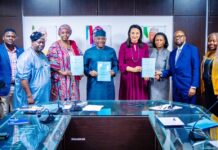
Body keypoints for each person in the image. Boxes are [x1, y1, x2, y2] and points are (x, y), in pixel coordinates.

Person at [156, 30, 200, 104]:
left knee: (189, 112)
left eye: (180, 36)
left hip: (188, 88)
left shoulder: (192, 49)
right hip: (176, 89)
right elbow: (172, 71)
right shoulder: (173, 53)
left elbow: (196, 69)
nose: (178, 38)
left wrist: (193, 86)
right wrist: (161, 73)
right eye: (176, 36)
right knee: (177, 111)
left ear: (185, 38)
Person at [13, 32, 51, 108]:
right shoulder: (26, 57)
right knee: (30, 118)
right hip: (33, 96)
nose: (41, 44)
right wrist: (29, 96)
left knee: (42, 116)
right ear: (32, 42)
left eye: (43, 42)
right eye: (39, 42)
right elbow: (23, 79)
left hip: (43, 95)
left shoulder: (42, 55)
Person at [47, 24, 83, 101]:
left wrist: (81, 71)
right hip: (61, 78)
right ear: (59, 33)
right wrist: (62, 72)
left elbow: (80, 58)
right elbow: (51, 61)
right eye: (62, 32)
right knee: (61, 100)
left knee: (74, 101)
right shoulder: (54, 46)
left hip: (73, 78)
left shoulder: (74, 45)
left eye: (67, 32)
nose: (65, 34)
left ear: (70, 33)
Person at [84, 29, 118, 100]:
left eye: (103, 38)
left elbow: (116, 65)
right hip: (94, 85)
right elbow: (84, 66)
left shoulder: (111, 51)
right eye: (98, 38)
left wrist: (113, 71)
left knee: (108, 107)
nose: (100, 40)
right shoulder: (88, 52)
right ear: (94, 39)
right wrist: (89, 72)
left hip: (107, 85)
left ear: (105, 39)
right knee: (93, 106)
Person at [118, 24, 149, 100]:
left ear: (140, 34)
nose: (135, 35)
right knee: (128, 103)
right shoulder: (123, 46)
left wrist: (147, 74)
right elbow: (120, 64)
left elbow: (147, 62)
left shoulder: (145, 46)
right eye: (133, 33)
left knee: (141, 103)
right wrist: (133, 69)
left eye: (137, 33)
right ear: (129, 34)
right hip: (127, 78)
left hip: (141, 78)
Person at [0, 28, 23, 117]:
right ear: (3, 38)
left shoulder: (21, 51)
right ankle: (4, 131)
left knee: (17, 113)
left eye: (13, 36)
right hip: (3, 87)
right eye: (8, 36)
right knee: (4, 114)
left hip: (18, 86)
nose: (10, 38)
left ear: (15, 38)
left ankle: (16, 131)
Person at [201, 32, 218, 116]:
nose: (211, 43)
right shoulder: (208, 54)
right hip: (208, 88)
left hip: (216, 90)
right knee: (209, 112)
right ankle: (211, 129)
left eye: (214, 41)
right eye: (210, 41)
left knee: (216, 113)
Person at [150, 32, 170, 100]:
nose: (158, 42)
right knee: (151, 105)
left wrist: (160, 75)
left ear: (164, 41)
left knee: (162, 105)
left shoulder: (168, 53)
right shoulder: (150, 52)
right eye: (157, 40)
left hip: (162, 83)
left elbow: (169, 70)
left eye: (161, 40)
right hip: (151, 82)